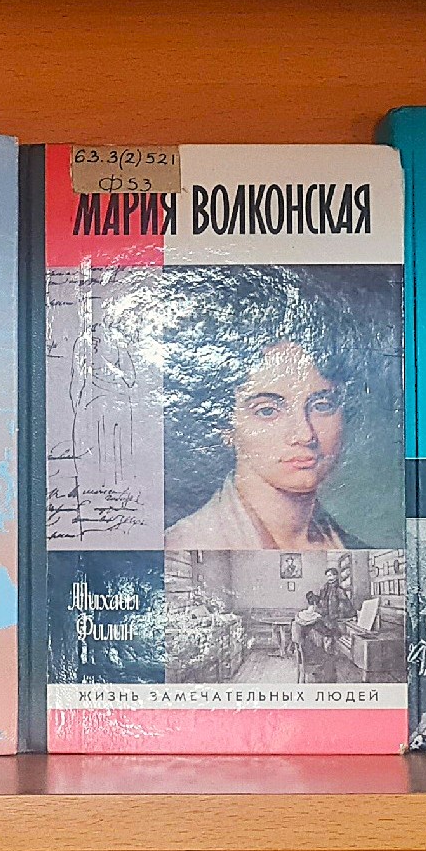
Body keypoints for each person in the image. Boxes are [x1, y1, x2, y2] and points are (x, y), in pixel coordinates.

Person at [162, 269, 370, 551]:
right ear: (225, 424)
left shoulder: (355, 548)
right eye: (268, 411)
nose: (304, 435)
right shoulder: (185, 545)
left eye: (321, 406)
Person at [298, 565, 360, 683]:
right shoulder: (325, 588)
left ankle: (328, 675)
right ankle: (319, 667)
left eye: (331, 575)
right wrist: (314, 599)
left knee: (328, 647)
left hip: (333, 623)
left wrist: (342, 614)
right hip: (326, 621)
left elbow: (346, 607)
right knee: (314, 636)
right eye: (327, 576)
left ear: (336, 576)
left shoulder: (339, 590)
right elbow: (322, 603)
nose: (329, 578)